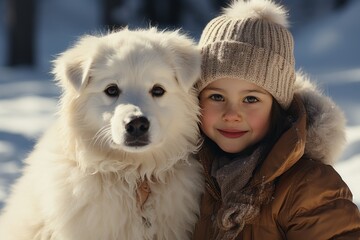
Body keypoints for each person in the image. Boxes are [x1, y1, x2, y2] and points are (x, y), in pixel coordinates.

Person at [192, 0, 360, 239]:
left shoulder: (308, 186)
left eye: (250, 99)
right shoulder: (188, 177)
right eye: (217, 96)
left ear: (277, 107)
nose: (231, 114)